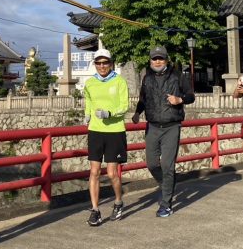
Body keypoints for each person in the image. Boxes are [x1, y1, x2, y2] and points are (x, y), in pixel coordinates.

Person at [131, 45, 194, 218]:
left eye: (160, 58)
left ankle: (166, 203)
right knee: (151, 164)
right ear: (150, 60)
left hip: (171, 126)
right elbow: (143, 98)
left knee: (167, 165)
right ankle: (167, 185)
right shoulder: (147, 78)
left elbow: (191, 96)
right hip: (152, 126)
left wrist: (179, 99)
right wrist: (137, 113)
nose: (157, 61)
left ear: (166, 59)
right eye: (154, 58)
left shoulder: (178, 75)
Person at [83, 49, 130, 226]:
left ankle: (118, 201)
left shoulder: (119, 81)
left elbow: (124, 106)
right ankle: (95, 210)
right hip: (95, 130)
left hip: (115, 131)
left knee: (111, 174)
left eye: (105, 63)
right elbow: (88, 100)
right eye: (98, 63)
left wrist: (109, 114)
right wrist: (87, 114)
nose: (102, 66)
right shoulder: (90, 82)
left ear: (111, 64)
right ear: (95, 64)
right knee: (94, 172)